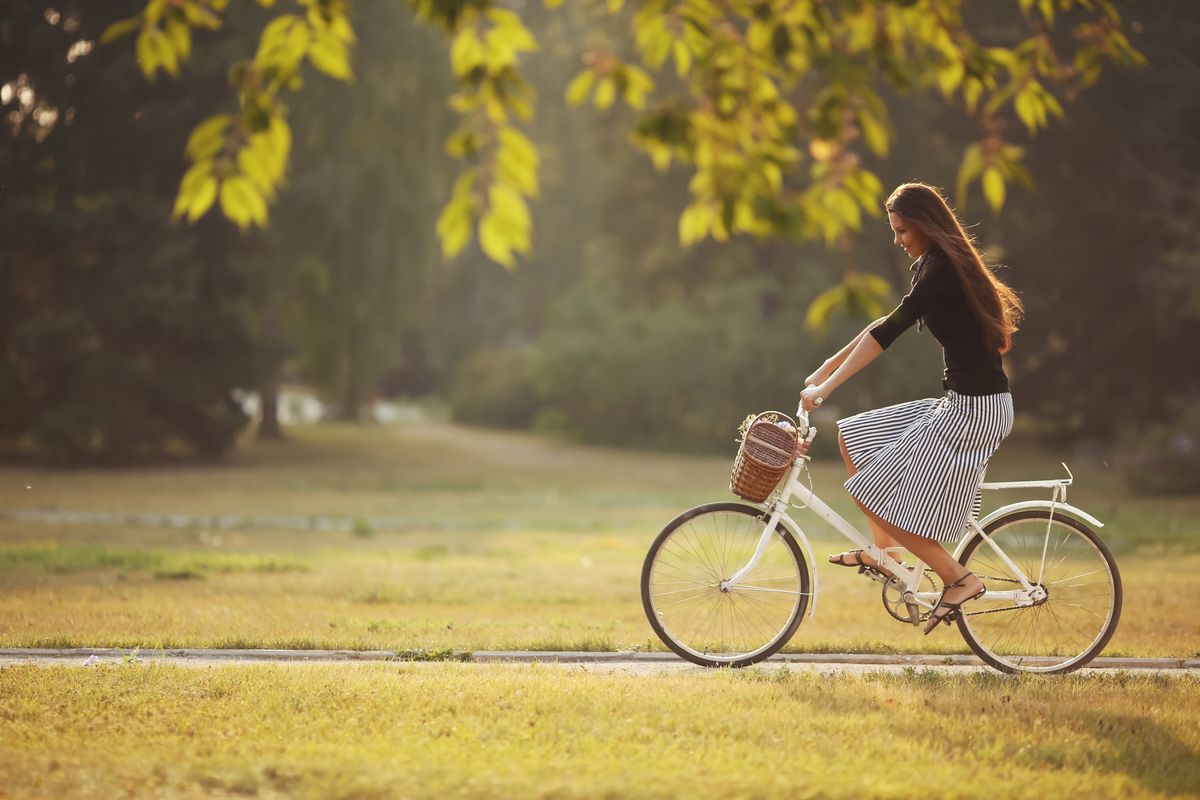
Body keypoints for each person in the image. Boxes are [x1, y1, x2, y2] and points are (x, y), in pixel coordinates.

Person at [798, 182, 1023, 635]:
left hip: (974, 413)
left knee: (869, 491)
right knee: (853, 435)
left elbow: (889, 334)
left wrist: (827, 388)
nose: (897, 240)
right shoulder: (933, 266)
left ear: (923, 226)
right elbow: (883, 323)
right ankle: (886, 554)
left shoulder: (941, 270)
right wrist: (827, 365)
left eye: (902, 230)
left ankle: (958, 579)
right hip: (965, 402)